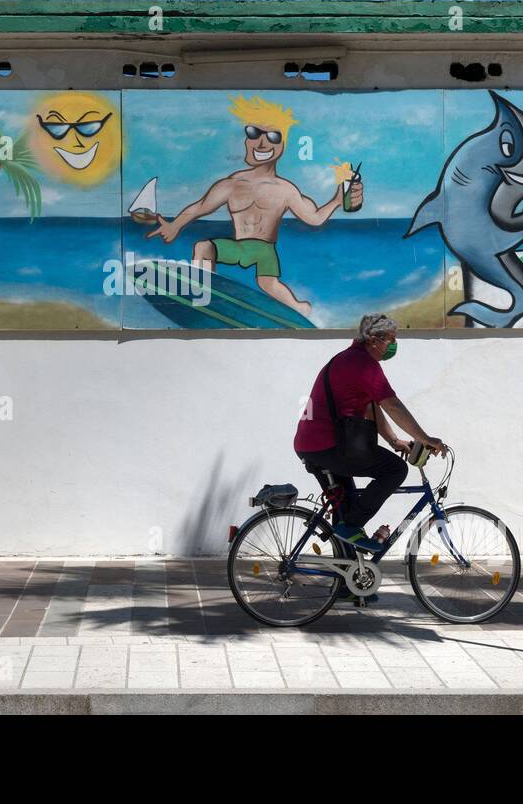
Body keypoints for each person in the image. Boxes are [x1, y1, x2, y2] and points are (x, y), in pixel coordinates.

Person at [146, 95, 361, 317]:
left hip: (264, 249)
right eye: (253, 133)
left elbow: (314, 218)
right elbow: (200, 207)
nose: (262, 142)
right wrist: (175, 225)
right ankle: (204, 295)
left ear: (283, 145)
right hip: (239, 247)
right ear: (246, 140)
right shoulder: (232, 184)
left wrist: (336, 201)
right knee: (204, 248)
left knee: (268, 284)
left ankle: (300, 309)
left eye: (273, 136)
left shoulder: (286, 189)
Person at [293, 313, 447, 552]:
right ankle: (352, 526)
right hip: (329, 445)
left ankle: (347, 586)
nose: (394, 345)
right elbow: (391, 405)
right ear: (375, 339)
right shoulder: (363, 364)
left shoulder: (347, 359)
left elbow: (371, 408)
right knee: (395, 470)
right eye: (391, 339)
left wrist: (394, 440)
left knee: (346, 509)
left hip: (315, 444)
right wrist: (425, 439)